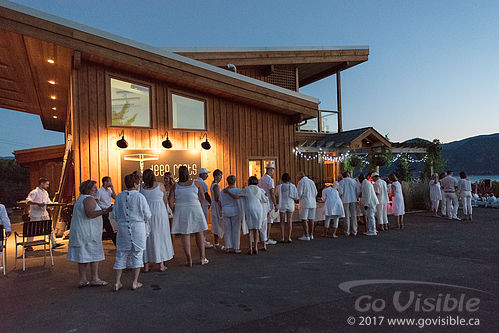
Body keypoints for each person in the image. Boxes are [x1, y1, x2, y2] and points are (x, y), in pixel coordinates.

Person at [111, 174, 152, 291]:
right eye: (138, 182)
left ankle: (117, 282)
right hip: (138, 228)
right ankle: (134, 282)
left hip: (123, 229)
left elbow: (114, 215)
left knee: (121, 255)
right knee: (137, 255)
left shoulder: (119, 197)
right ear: (135, 184)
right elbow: (148, 215)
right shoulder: (140, 197)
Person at [67, 180, 110, 288]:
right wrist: (105, 211)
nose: (96, 190)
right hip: (88, 233)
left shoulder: (81, 198)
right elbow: (90, 214)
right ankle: (94, 278)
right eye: (94, 188)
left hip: (82, 232)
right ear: (88, 189)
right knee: (93, 255)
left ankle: (83, 280)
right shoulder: (88, 199)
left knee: (83, 256)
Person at [172, 166, 209, 266]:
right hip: (195, 208)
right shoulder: (196, 183)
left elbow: (171, 201)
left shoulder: (175, 185)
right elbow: (202, 197)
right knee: (199, 232)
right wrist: (199, 207)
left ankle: (189, 259)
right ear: (188, 173)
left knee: (185, 234)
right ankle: (202, 257)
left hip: (181, 209)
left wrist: (174, 210)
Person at [140, 169, 174, 272]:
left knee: (147, 238)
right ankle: (161, 265)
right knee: (160, 236)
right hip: (160, 214)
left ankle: (146, 265)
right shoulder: (160, 185)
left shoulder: (142, 188)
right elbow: (165, 201)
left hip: (147, 214)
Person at [25, 177, 63, 249]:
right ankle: (28, 245)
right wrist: (38, 203)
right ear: (41, 183)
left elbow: (48, 202)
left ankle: (54, 243)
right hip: (35, 214)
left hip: (44, 213)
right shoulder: (34, 192)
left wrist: (53, 204)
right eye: (46, 184)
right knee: (33, 229)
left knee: (49, 228)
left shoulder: (45, 193)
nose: (47, 186)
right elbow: (28, 201)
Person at [241, 176, 268, 254]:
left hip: (249, 208)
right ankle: (256, 247)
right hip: (258, 208)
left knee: (250, 229)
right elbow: (265, 200)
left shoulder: (246, 189)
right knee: (256, 228)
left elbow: (239, 195)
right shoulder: (259, 190)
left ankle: (250, 247)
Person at [221, 175, 243, 254]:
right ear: (235, 181)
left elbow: (221, 201)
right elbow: (238, 198)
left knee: (227, 230)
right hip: (235, 210)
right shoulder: (238, 190)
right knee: (236, 230)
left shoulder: (223, 191)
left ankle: (228, 247)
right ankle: (236, 247)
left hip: (225, 210)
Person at [258, 163, 278, 245]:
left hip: (261, 202)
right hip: (268, 202)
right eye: (273, 170)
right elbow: (272, 193)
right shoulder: (270, 180)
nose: (273, 172)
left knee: (262, 220)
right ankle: (266, 238)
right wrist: (275, 204)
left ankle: (261, 238)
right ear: (270, 170)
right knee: (269, 221)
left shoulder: (261, 179)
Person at [275, 173, 298, 242]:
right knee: (289, 220)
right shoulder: (293, 186)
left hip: (282, 204)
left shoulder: (279, 187)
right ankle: (289, 237)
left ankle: (282, 237)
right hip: (290, 204)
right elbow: (296, 196)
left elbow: (276, 194)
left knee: (282, 221)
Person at [95, 176, 117, 245]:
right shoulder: (100, 191)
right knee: (109, 229)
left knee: (103, 228)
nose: (110, 183)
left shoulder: (109, 190)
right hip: (103, 212)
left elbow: (115, 197)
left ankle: (95, 242)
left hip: (107, 211)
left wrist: (112, 188)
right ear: (105, 182)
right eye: (109, 181)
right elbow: (97, 201)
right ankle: (116, 244)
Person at [297, 171, 318, 241]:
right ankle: (311, 234)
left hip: (305, 202)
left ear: (300, 177)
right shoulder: (311, 181)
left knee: (304, 219)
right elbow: (316, 192)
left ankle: (306, 235)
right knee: (311, 219)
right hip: (313, 202)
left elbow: (299, 194)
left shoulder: (301, 182)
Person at [339, 171, 360, 236]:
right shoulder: (354, 181)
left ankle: (347, 231)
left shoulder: (342, 182)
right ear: (349, 175)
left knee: (346, 216)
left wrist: (340, 197)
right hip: (353, 199)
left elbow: (341, 192)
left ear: (343, 176)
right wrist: (356, 197)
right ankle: (354, 231)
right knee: (354, 215)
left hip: (345, 200)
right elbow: (358, 191)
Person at [197, 168, 214, 249]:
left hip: (200, 204)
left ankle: (202, 240)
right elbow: (206, 194)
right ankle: (203, 241)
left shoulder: (197, 181)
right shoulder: (202, 183)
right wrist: (211, 202)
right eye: (206, 174)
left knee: (201, 223)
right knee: (204, 223)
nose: (207, 175)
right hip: (203, 204)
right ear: (202, 174)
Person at [210, 169, 225, 249]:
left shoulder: (214, 184)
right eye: (220, 176)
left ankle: (216, 242)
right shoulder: (215, 185)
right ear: (216, 176)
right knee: (217, 224)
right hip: (216, 207)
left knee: (216, 224)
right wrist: (221, 206)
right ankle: (216, 243)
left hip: (215, 206)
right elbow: (217, 198)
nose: (221, 178)